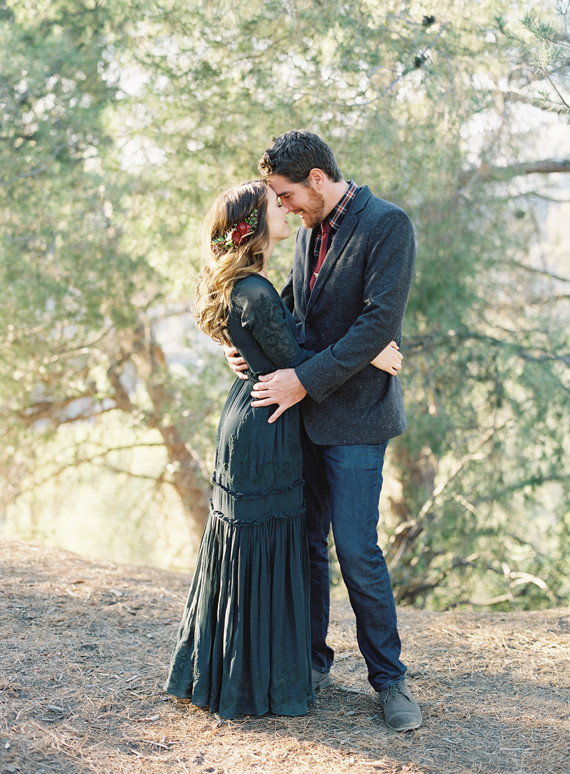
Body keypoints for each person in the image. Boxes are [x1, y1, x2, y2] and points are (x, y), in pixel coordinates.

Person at [164, 180, 402, 720]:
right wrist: (368, 356)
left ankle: (242, 668)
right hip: (266, 426)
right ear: (253, 224)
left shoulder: (249, 285)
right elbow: (294, 348)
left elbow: (281, 337)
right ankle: (263, 677)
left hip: (252, 417)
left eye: (286, 197)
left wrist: (246, 347)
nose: (287, 210)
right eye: (276, 204)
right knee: (269, 545)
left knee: (257, 548)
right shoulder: (257, 289)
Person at [226, 130, 421, 731]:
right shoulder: (309, 231)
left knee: (356, 550)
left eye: (285, 195)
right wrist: (252, 349)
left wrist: (300, 380)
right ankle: (312, 664)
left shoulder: (389, 225)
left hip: (358, 419)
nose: (280, 208)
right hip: (303, 418)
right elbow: (295, 308)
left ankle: (390, 681)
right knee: (306, 544)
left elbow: (376, 325)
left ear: (316, 178)